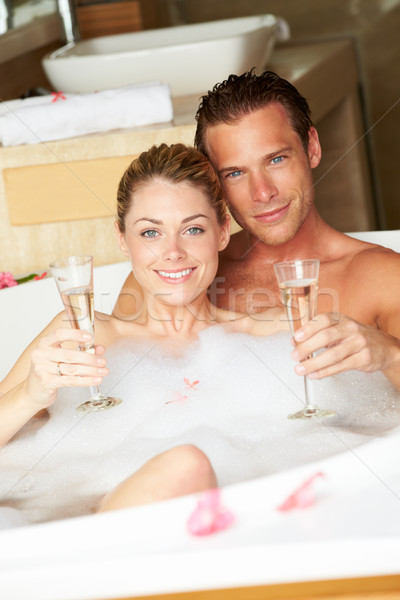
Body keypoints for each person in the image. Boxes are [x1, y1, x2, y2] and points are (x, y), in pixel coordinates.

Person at [0, 143, 289, 524]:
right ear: (122, 238)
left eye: (193, 229)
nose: (172, 251)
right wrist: (30, 394)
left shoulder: (270, 337)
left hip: (215, 536)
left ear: (222, 233)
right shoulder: (84, 335)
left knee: (186, 466)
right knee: (186, 465)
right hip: (71, 524)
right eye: (151, 233)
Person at [116, 70, 400, 390]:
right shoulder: (177, 272)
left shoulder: (382, 277)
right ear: (216, 184)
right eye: (235, 172)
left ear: (312, 148)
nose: (262, 192)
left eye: (276, 159)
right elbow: (119, 397)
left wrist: (389, 355)